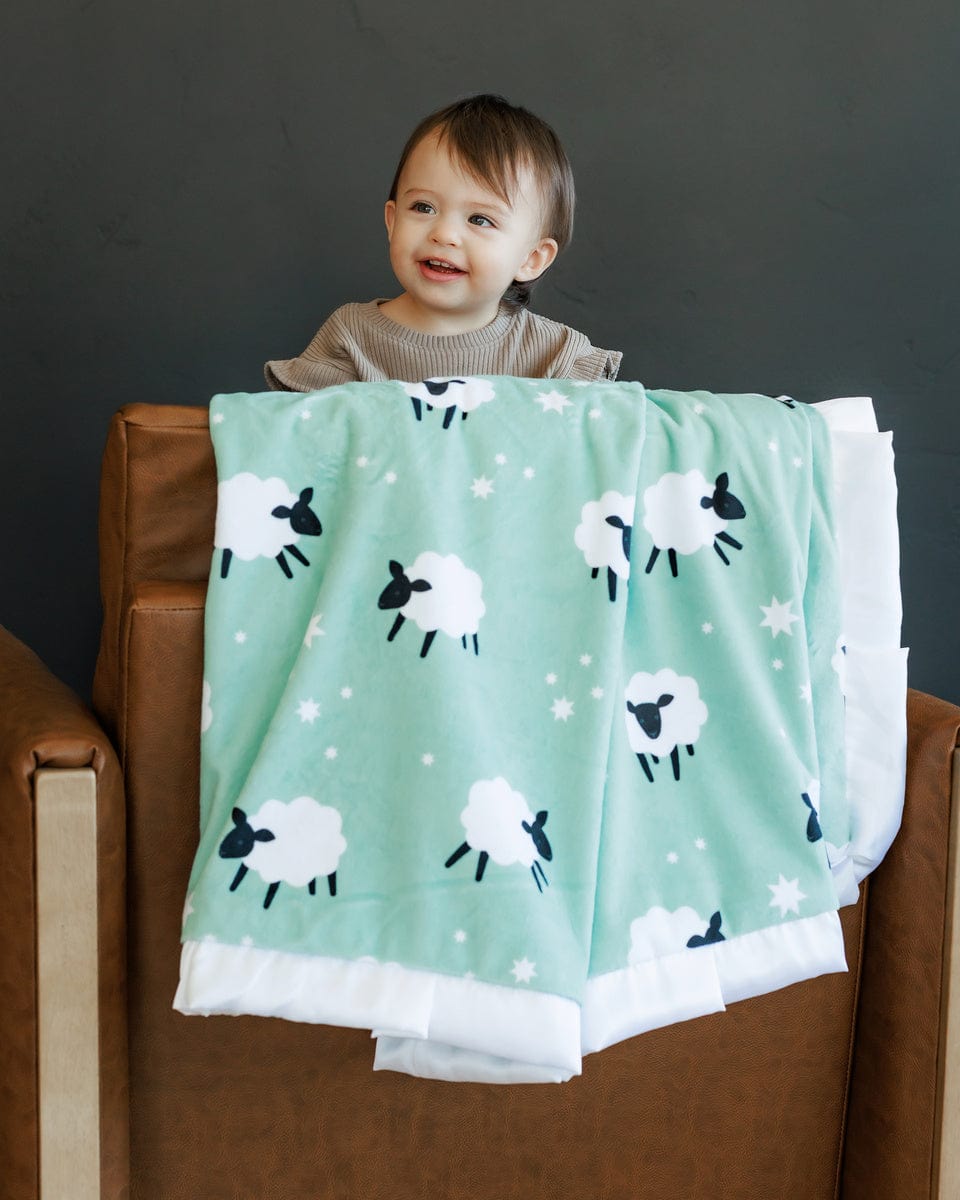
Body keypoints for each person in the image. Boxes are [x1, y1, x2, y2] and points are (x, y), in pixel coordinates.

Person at [264, 94, 622, 391]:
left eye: (479, 219)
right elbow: (305, 439)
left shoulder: (556, 359)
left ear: (532, 258)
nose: (444, 234)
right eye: (424, 207)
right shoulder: (351, 338)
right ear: (392, 220)